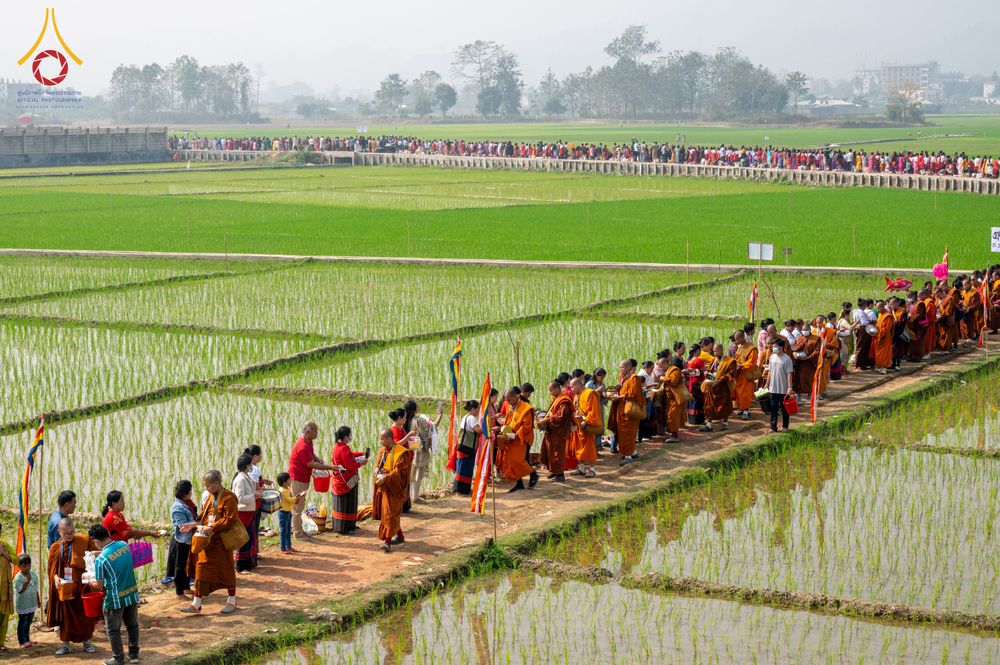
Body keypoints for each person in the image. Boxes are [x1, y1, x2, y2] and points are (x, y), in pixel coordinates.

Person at [180, 470, 240, 614]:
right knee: (200, 569)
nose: (206, 488)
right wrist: (192, 525)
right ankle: (196, 604)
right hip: (207, 542)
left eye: (208, 485)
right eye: (205, 486)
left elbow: (230, 520)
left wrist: (212, 527)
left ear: (217, 483)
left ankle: (232, 600)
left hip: (221, 542)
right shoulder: (211, 497)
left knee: (226, 570)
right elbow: (203, 516)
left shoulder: (229, 498)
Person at [88, 524, 140, 665]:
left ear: (96, 541)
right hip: (132, 594)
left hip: (115, 599)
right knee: (132, 625)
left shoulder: (101, 561)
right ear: (107, 534)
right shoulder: (123, 545)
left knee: (113, 630)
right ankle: (134, 655)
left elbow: (98, 586)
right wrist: (97, 553)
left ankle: (118, 659)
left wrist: (88, 581)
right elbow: (113, 553)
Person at [46, 518, 96, 655]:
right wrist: (56, 578)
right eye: (65, 533)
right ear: (59, 532)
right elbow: (51, 568)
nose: (69, 535)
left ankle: (87, 643)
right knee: (65, 617)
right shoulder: (55, 547)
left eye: (71, 532)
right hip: (64, 588)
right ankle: (65, 645)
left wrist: (91, 559)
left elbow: (97, 553)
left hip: (80, 586)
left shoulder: (82, 541)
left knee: (84, 615)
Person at [287, 422, 341, 540]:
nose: (317, 433)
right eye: (315, 431)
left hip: (303, 477)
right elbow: (310, 464)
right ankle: (297, 533)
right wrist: (331, 467)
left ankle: (299, 530)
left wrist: (316, 458)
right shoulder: (302, 446)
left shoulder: (308, 441)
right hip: (297, 478)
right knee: (297, 506)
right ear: (308, 432)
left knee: (300, 504)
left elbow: (311, 455)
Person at [372, 428, 411, 553]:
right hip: (385, 487)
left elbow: (399, 472)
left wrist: (386, 478)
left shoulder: (401, 453)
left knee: (390, 514)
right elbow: (379, 465)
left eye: (382, 438)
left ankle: (387, 542)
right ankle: (400, 536)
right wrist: (377, 470)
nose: (381, 441)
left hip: (396, 488)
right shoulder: (383, 451)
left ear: (390, 438)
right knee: (389, 514)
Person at [495, 387, 539, 492]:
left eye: (509, 399)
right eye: (506, 399)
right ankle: (519, 483)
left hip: (522, 438)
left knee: (518, 460)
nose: (507, 401)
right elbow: (508, 422)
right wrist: (505, 432)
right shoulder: (511, 406)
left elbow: (526, 426)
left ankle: (534, 475)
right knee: (510, 460)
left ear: (516, 397)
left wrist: (514, 435)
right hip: (510, 437)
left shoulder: (526, 408)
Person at [330, 426, 369, 534]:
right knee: (348, 504)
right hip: (346, 482)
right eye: (350, 435)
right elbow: (350, 465)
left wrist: (361, 454)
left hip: (338, 479)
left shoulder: (337, 447)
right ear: (346, 436)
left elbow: (350, 456)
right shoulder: (344, 448)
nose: (351, 437)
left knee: (340, 504)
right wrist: (361, 463)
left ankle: (339, 526)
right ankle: (346, 528)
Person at [404, 400, 442, 505]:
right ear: (414, 409)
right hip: (419, 449)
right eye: (417, 405)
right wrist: (440, 415)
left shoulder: (406, 419)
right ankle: (415, 497)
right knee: (418, 474)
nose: (419, 406)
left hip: (411, 448)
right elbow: (434, 426)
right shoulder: (419, 420)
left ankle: (410, 495)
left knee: (412, 472)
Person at [609, 359, 645, 466]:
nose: (621, 369)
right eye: (620, 367)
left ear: (629, 367)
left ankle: (628, 455)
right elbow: (623, 389)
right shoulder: (623, 377)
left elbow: (633, 395)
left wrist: (618, 397)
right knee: (623, 431)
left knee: (628, 432)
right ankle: (633, 452)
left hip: (629, 409)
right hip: (622, 408)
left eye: (623, 367)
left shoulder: (634, 379)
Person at [538, 380, 574, 482]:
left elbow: (561, 416)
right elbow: (552, 412)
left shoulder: (564, 400)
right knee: (550, 450)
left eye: (551, 390)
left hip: (559, 431)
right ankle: (554, 471)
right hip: (552, 430)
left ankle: (560, 474)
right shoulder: (555, 398)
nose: (551, 393)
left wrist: (546, 420)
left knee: (558, 453)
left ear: (557, 388)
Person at [233, 454, 261, 573]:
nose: (251, 466)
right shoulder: (240, 479)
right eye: (250, 464)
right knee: (243, 538)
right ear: (246, 466)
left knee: (249, 538)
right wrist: (254, 496)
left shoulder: (245, 477)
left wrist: (257, 493)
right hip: (243, 512)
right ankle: (240, 565)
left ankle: (248, 563)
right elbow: (239, 498)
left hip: (248, 511)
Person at [169, 480, 198, 599]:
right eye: (190, 490)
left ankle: (186, 587)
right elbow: (183, 527)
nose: (192, 492)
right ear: (186, 493)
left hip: (188, 539)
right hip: (181, 540)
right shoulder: (178, 507)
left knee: (187, 564)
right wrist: (197, 524)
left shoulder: (187, 503)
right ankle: (179, 592)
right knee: (180, 566)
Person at [244, 445, 275, 541]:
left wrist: (263, 481)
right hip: (254, 502)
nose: (261, 456)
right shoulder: (254, 469)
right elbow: (255, 488)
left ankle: (250, 553)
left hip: (245, 502)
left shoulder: (246, 467)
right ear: (255, 456)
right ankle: (252, 554)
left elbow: (252, 483)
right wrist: (271, 492)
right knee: (253, 526)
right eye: (260, 454)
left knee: (248, 526)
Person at [571, 378, 600, 476]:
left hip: (587, 425)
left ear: (578, 384)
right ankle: (581, 468)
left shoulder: (590, 393)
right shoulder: (576, 396)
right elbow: (575, 409)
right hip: (579, 425)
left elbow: (594, 411)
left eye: (572, 387)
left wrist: (586, 420)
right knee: (578, 446)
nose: (571, 389)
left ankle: (592, 469)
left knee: (589, 447)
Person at [764, 338, 795, 432]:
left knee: (784, 408)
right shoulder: (772, 357)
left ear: (781, 347)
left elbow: (789, 374)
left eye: (775, 347)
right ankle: (773, 427)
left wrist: (790, 388)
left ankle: (785, 426)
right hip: (773, 388)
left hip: (783, 388)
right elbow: (770, 372)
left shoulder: (787, 359)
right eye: (773, 347)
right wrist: (767, 384)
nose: (773, 348)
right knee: (773, 408)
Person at [452, 400, 482, 495]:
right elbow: (477, 430)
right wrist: (486, 427)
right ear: (473, 409)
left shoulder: (466, 417)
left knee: (461, 467)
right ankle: (462, 490)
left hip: (463, 446)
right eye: (477, 409)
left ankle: (458, 489)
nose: (478, 411)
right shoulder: (472, 418)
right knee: (466, 468)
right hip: (467, 447)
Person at [701, 354, 736, 432]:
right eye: (714, 351)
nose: (715, 353)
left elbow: (731, 373)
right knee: (709, 405)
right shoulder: (715, 360)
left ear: (721, 350)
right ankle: (709, 425)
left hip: (723, 386)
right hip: (713, 386)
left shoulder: (729, 361)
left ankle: (725, 423)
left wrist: (720, 380)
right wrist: (707, 373)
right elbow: (712, 370)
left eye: (716, 351)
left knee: (724, 405)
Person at [14, 554, 40, 649]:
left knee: (29, 621)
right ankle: (22, 641)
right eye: (24, 566)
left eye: (28, 565)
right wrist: (27, 581)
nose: (27, 568)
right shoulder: (18, 578)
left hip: (32, 603)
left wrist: (38, 600)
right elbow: (20, 590)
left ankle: (27, 639)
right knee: (22, 622)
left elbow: (36, 588)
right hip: (23, 604)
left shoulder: (33, 574)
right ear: (19, 567)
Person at [732, 330, 759, 420]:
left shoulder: (751, 348)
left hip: (746, 374)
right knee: (738, 393)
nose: (736, 341)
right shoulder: (740, 347)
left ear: (742, 338)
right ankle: (742, 408)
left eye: (737, 339)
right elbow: (737, 358)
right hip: (739, 374)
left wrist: (742, 366)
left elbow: (752, 362)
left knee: (745, 393)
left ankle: (746, 411)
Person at [275, 473, 297, 553]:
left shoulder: (288, 488)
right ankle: (283, 548)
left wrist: (295, 498)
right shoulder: (282, 491)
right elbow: (290, 500)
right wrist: (297, 499)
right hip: (283, 513)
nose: (291, 480)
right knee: (283, 531)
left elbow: (291, 499)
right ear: (284, 482)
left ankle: (289, 546)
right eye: (289, 479)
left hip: (288, 512)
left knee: (288, 530)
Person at [685, 345, 706, 426]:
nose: (700, 352)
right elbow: (704, 371)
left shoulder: (689, 361)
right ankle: (698, 420)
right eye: (700, 350)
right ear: (697, 351)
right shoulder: (698, 360)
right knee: (699, 401)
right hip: (698, 383)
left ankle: (691, 419)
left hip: (691, 384)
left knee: (692, 400)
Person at [872, 301, 895, 374]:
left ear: (882, 307)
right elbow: (878, 324)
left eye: (878, 308)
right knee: (878, 353)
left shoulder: (888, 316)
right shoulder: (880, 314)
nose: (878, 310)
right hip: (878, 336)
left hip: (885, 337)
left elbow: (886, 329)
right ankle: (880, 366)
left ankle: (884, 367)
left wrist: (878, 333)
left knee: (884, 353)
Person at [0, 524, 11, 652]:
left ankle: (1, 643)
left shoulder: (5, 545)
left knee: (4, 618)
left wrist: (3, 553)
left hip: (4, 589)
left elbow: (16, 560)